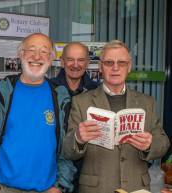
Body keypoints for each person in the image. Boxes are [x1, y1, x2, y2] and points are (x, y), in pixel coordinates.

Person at [0, 33, 76, 193]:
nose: (37, 56)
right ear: (21, 54)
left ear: (51, 58)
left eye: (44, 51)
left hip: (47, 189)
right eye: (31, 50)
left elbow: (67, 148)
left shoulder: (61, 97)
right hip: (4, 188)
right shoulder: (0, 92)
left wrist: (60, 186)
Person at [63, 40, 170, 193]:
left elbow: (163, 143)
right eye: (108, 62)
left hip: (137, 187)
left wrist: (149, 145)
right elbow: (67, 150)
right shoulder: (81, 101)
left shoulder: (147, 102)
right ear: (100, 67)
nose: (115, 68)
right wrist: (78, 138)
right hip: (96, 188)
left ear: (129, 67)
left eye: (121, 62)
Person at [51, 42, 98, 193]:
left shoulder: (98, 91)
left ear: (88, 63)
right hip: (54, 170)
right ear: (62, 62)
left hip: (88, 171)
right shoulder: (48, 89)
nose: (75, 65)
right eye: (70, 59)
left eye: (81, 60)